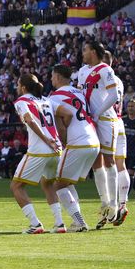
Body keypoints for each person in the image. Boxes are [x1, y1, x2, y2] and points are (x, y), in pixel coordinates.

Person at [49, 65, 100, 233]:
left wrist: (63, 143)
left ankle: (79, 221)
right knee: (66, 182)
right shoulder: (79, 92)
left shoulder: (55, 97)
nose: (51, 79)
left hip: (77, 142)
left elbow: (64, 121)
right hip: (93, 141)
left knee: (57, 185)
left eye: (52, 76)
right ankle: (78, 220)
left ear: (57, 76)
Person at [10, 74, 61, 234]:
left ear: (24, 87)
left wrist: (46, 139)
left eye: (18, 84)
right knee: (48, 184)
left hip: (40, 149)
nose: (17, 87)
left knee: (16, 186)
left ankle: (35, 224)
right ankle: (59, 224)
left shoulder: (22, 101)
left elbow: (30, 120)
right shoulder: (46, 100)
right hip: (56, 148)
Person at [76, 40, 119, 229]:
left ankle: (114, 205)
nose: (82, 53)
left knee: (109, 160)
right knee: (96, 162)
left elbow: (114, 96)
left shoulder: (105, 70)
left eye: (85, 50)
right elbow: (79, 94)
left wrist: (98, 112)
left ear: (93, 51)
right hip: (90, 120)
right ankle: (104, 202)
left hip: (105, 120)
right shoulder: (82, 71)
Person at [102, 51, 130, 225]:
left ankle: (109, 209)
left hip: (109, 122)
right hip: (120, 122)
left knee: (107, 166)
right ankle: (122, 204)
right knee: (121, 165)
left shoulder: (103, 77)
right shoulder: (119, 80)